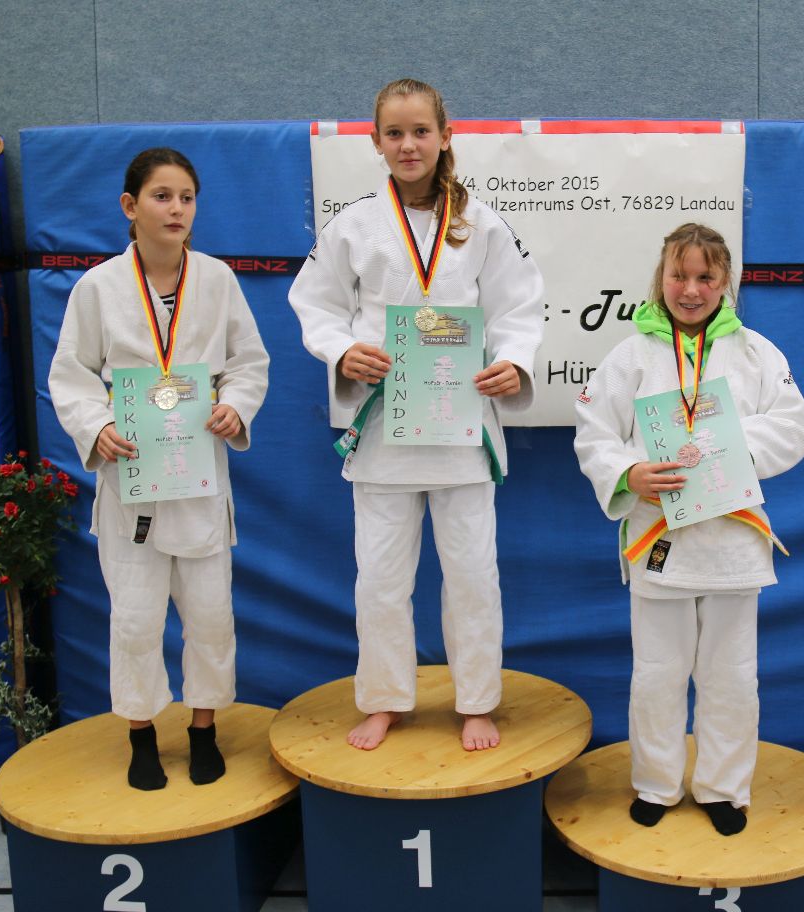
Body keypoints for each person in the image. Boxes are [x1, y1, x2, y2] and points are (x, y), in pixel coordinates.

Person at [288, 78, 543, 752]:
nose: (408, 145)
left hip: (461, 427)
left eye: (420, 131)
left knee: (472, 576)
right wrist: (343, 351)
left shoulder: (481, 222)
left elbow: (519, 306)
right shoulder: (353, 224)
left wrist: (512, 361)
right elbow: (315, 303)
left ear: (445, 136)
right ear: (375, 142)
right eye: (395, 133)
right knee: (380, 578)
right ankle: (384, 699)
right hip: (386, 429)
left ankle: (477, 700)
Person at [573, 223, 804, 835]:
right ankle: (656, 783)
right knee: (657, 674)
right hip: (659, 537)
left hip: (733, 541)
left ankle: (723, 788)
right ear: (661, 277)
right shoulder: (630, 357)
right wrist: (629, 473)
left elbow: (795, 427)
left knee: (731, 676)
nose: (690, 289)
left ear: (725, 281)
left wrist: (727, 444)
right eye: (679, 275)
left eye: (705, 277)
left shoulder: (757, 353)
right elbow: (594, 436)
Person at [49, 147, 269, 790]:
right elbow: (71, 375)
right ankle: (141, 735)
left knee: (210, 615)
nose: (177, 209)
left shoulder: (217, 280)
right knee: (136, 620)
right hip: (132, 477)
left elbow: (249, 362)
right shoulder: (97, 288)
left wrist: (235, 406)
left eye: (187, 198)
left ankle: (203, 729)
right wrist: (97, 426)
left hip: (197, 471)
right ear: (130, 206)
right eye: (162, 196)